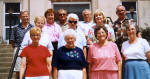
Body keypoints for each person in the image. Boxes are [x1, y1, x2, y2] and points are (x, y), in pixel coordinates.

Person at [10, 10, 33, 79]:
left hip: (31, 50)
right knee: (18, 70)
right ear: (20, 17)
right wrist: (17, 48)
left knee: (30, 69)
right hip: (19, 50)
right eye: (23, 16)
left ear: (28, 17)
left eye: (26, 16)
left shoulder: (32, 27)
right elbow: (12, 40)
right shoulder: (16, 27)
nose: (25, 18)